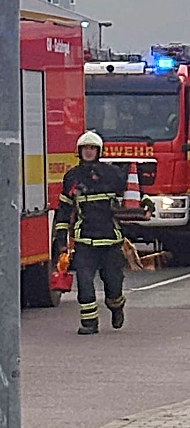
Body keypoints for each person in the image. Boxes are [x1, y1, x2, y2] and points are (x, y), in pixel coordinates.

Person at [54, 131, 128, 334]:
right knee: (85, 284)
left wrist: (145, 205)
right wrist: (61, 240)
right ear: (79, 151)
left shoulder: (113, 174)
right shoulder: (72, 177)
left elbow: (131, 199)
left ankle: (116, 307)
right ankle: (89, 323)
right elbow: (64, 210)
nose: (88, 151)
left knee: (114, 285)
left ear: (98, 151)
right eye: (85, 148)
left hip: (110, 240)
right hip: (85, 240)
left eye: (92, 148)